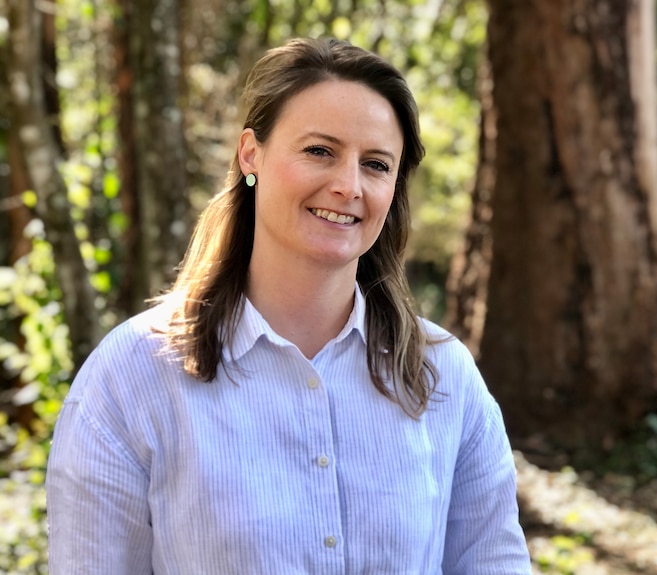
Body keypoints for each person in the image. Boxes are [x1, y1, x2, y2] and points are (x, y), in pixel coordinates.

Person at [46, 37, 531, 574]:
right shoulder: (131, 378)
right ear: (251, 154)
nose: (348, 186)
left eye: (375, 164)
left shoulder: (444, 376)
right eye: (320, 151)